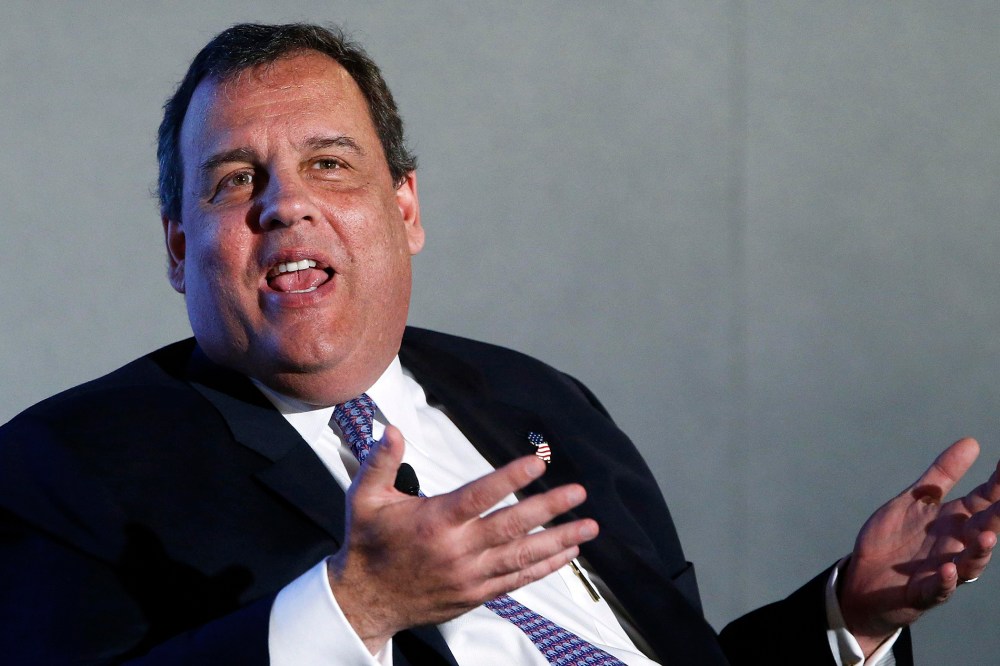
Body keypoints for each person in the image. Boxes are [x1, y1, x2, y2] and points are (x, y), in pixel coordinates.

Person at [1, 22, 997, 665]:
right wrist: (354, 609)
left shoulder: (538, 399)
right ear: (180, 249)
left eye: (330, 164)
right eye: (233, 181)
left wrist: (850, 614)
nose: (285, 205)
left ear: (405, 210)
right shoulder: (62, 467)